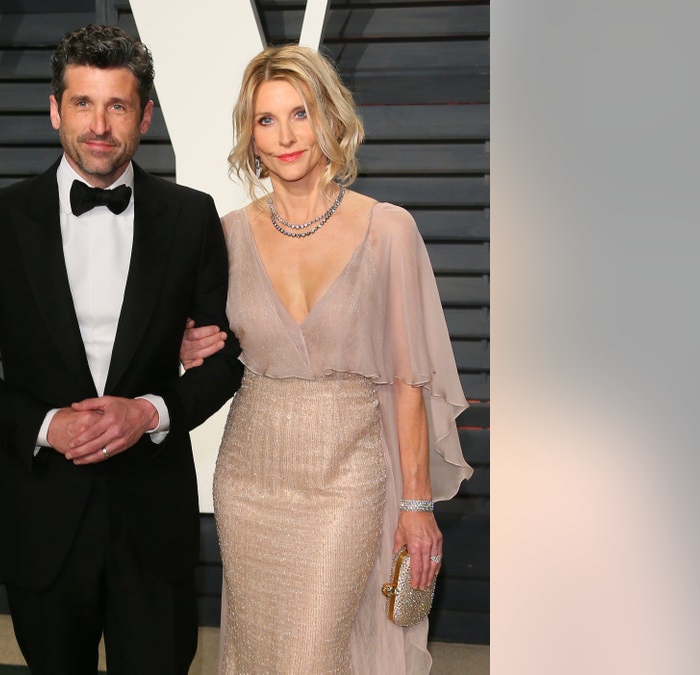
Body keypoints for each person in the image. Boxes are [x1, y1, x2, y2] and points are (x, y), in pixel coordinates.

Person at [0, 24, 243, 674]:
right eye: (82, 103)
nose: (99, 125)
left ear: (145, 115)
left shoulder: (191, 217)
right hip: (39, 517)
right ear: (54, 109)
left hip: (153, 521)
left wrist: (150, 410)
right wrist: (45, 423)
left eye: (118, 105)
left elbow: (222, 362)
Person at [180, 45, 473, 673]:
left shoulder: (387, 229)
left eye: (300, 114)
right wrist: (188, 345)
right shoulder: (226, 233)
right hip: (250, 476)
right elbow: (208, 344)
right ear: (249, 136)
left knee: (315, 654)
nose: (285, 136)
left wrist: (417, 507)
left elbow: (408, 381)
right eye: (266, 120)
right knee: (260, 653)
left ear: (331, 122)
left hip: (346, 475)